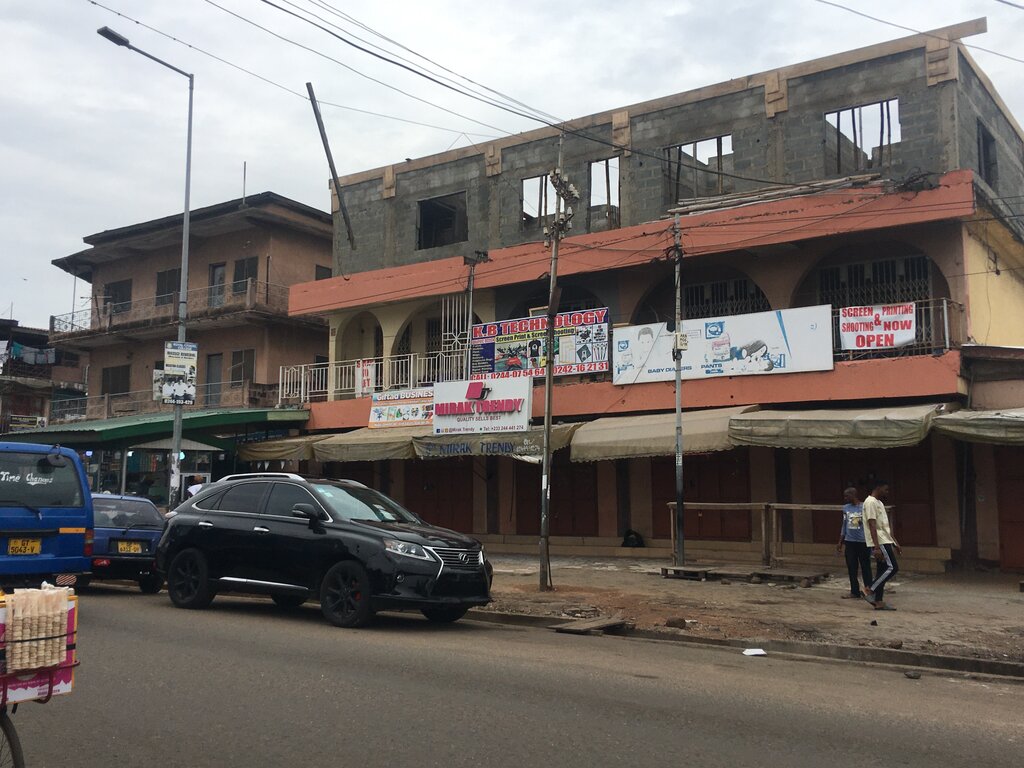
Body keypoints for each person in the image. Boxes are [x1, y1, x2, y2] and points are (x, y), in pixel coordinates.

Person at [863, 480, 901, 611]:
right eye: (885, 489)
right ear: (878, 488)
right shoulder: (870, 502)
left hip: (886, 539)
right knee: (892, 567)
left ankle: (878, 601)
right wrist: (876, 547)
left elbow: (885, 526)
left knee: (881, 570)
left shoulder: (879, 503)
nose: (887, 492)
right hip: (880, 541)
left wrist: (895, 542)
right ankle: (870, 589)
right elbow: (872, 525)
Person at [836, 487, 872, 599]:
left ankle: (868, 590)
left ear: (853, 495)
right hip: (850, 541)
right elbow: (844, 524)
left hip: (863, 541)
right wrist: (840, 541)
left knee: (865, 567)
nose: (845, 498)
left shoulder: (864, 507)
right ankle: (854, 591)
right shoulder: (846, 508)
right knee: (852, 567)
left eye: (847, 496)